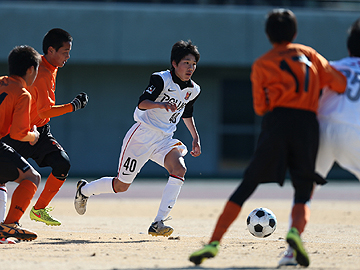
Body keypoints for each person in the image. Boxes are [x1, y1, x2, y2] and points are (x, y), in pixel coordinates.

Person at [189, 8, 346, 268]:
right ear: (294, 32)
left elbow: (260, 108)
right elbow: (339, 84)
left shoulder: (263, 63)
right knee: (303, 190)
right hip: (307, 123)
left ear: (268, 35)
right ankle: (295, 232)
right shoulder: (310, 55)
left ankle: (214, 242)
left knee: (248, 184)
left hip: (277, 122)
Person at [74, 40, 201, 237]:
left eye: (193, 64)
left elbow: (187, 112)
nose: (190, 67)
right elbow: (142, 103)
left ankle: (159, 222)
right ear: (174, 63)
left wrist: (195, 137)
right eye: (186, 62)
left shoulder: (194, 89)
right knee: (121, 186)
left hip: (165, 138)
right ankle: (85, 190)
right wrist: (160, 105)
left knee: (179, 168)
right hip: (142, 136)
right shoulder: (160, 79)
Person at [279, 17, 360, 267]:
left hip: (321, 128)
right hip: (356, 129)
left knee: (305, 191)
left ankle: (292, 250)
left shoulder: (331, 66)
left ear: (349, 48)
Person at [1, 28, 88, 227]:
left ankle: (38, 210)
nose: (68, 56)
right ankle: (9, 225)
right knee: (11, 176)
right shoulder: (39, 73)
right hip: (20, 133)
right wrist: (72, 106)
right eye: (65, 51)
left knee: (62, 164)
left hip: (39, 131)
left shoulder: (47, 65)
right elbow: (44, 111)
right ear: (50, 50)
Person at [0, 45, 42, 241]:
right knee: (31, 177)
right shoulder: (23, 94)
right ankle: (9, 225)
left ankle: (1, 232)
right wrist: (33, 136)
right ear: (30, 70)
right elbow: (19, 134)